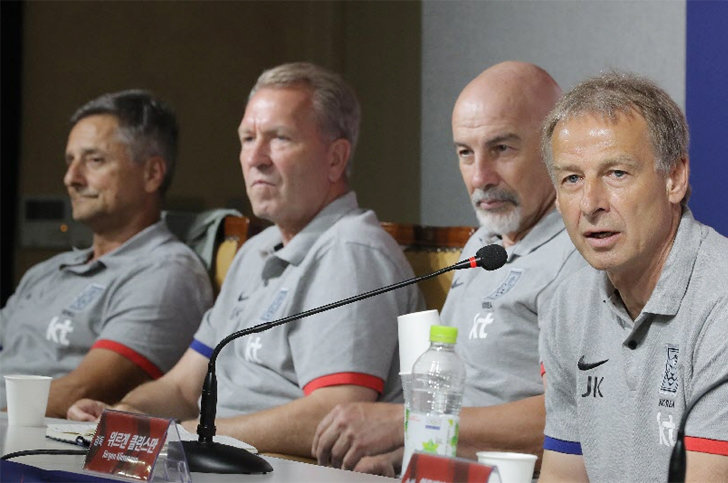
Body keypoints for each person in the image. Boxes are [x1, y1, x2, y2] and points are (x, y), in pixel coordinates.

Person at [68, 62, 423, 458]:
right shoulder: (256, 249)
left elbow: (332, 416)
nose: (256, 157)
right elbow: (183, 387)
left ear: (336, 159)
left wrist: (185, 435)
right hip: (209, 457)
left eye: (280, 139)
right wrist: (126, 417)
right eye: (248, 138)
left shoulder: (352, 251)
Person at [312, 61, 585, 476]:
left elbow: (575, 414)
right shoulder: (483, 243)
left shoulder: (583, 254)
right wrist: (406, 456)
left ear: (556, 147)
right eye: (465, 153)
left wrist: (403, 424)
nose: (480, 176)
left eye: (502, 148)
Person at [537, 71, 728, 482]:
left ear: (674, 178)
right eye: (572, 178)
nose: (590, 204)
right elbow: (563, 475)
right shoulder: (567, 304)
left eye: (616, 173)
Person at [0, 90, 213, 418]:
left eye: (94, 160)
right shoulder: (47, 272)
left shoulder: (166, 273)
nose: (71, 178)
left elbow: (86, 391)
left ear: (152, 174)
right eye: (70, 161)